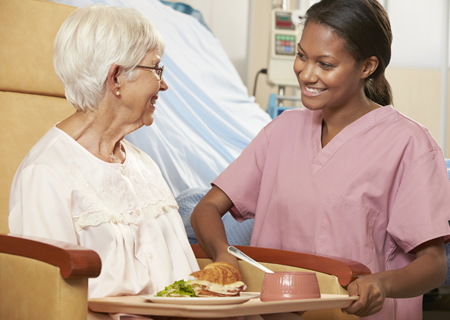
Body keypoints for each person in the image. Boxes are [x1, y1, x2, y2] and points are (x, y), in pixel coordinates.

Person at [190, 0, 450, 319]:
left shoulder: (409, 144)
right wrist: (223, 255)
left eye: (325, 64)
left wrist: (381, 284)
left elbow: (434, 266)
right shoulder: (282, 131)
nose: (306, 74)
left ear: (367, 67)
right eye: (302, 56)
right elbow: (206, 209)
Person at [8, 4, 199, 303]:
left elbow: (186, 281)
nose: (164, 84)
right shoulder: (45, 174)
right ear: (116, 78)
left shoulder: (144, 165)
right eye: (156, 69)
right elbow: (50, 300)